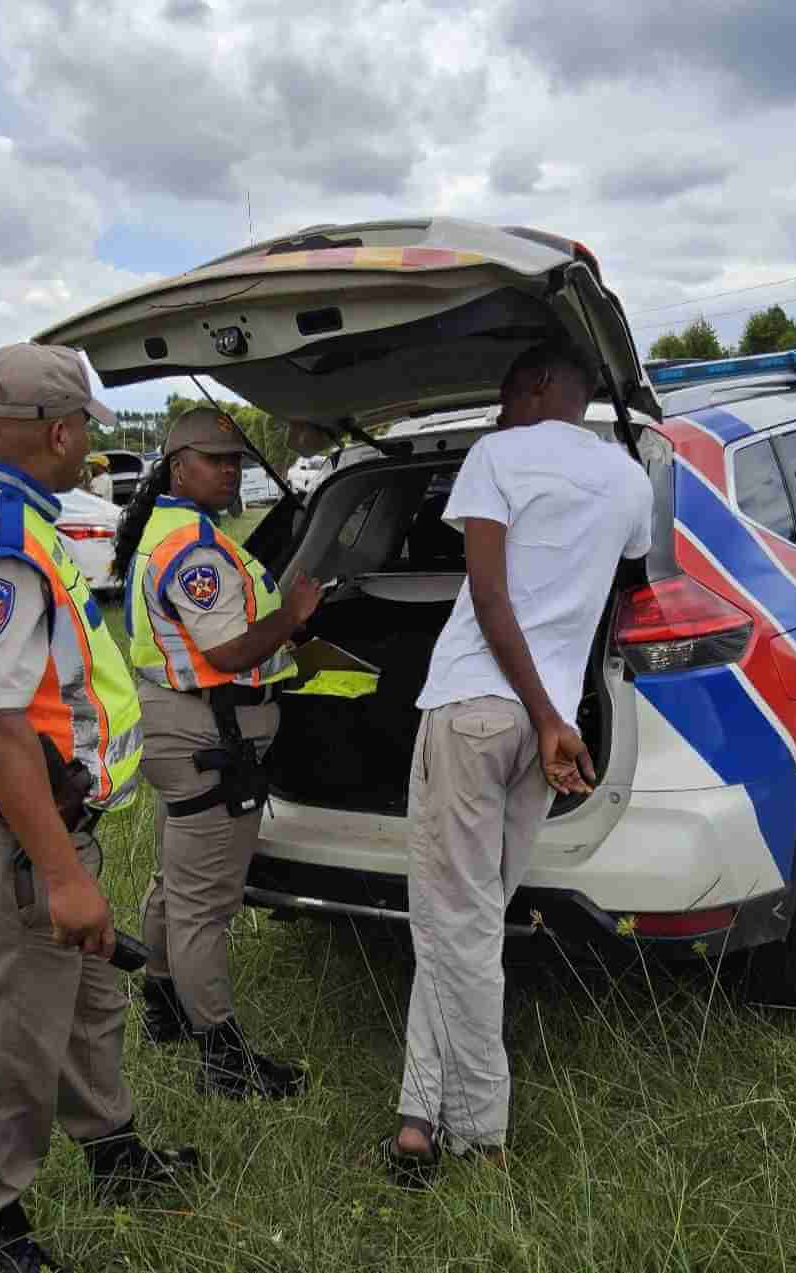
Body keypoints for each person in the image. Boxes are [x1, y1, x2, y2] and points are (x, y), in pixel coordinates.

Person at [0, 343, 197, 1272]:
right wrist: (66, 873)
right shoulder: (1, 539)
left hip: (45, 821)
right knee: (14, 1027)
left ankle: (110, 1147)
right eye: (88, 438)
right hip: (17, 833)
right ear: (61, 432)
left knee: (86, 1000)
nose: (91, 456)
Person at [380, 343, 654, 1185]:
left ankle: (481, 1132)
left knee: (453, 923)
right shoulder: (631, 482)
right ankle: (419, 1116)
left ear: (539, 384)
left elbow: (491, 596)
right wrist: (552, 720)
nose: (499, 404)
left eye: (506, 387)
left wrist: (538, 713)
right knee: (463, 919)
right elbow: (619, 580)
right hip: (550, 727)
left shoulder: (498, 455)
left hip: (476, 709)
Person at [114, 406, 322, 1100]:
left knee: (177, 880)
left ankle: (165, 1007)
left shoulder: (171, 532)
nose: (231, 470)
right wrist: (291, 617)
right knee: (205, 904)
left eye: (237, 461)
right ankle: (223, 1058)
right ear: (180, 466)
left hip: (185, 728)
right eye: (216, 459)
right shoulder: (194, 550)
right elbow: (229, 651)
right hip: (208, 735)